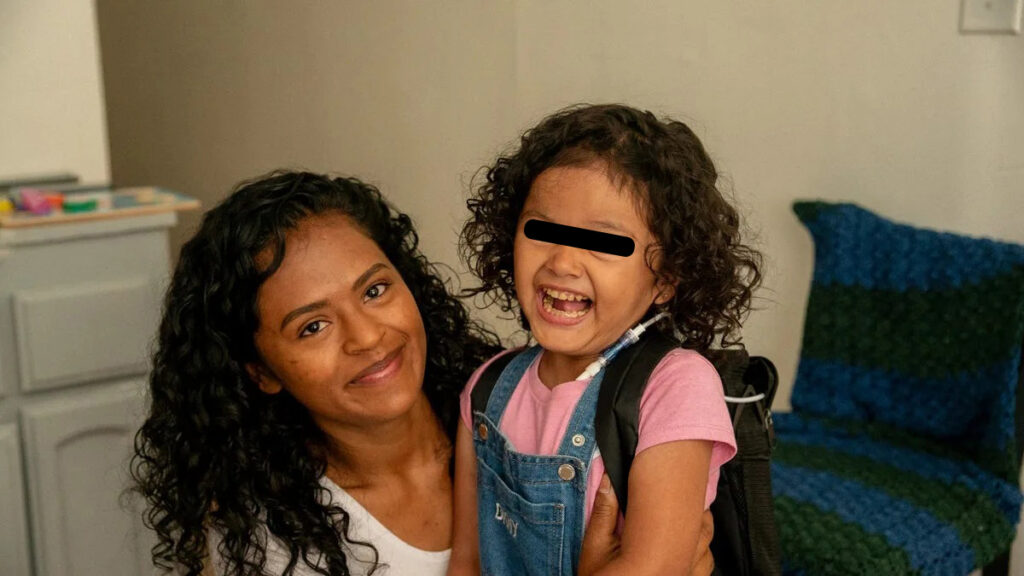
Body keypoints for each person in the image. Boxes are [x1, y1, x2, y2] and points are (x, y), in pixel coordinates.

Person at [130, 170, 716, 576]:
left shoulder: (499, 405)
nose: (366, 337)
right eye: (313, 326)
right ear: (261, 371)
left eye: (375, 290)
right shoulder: (278, 545)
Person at [450, 104, 763, 575]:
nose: (562, 262)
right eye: (542, 231)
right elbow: (467, 562)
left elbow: (654, 568)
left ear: (666, 277)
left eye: (603, 243)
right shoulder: (487, 389)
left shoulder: (675, 387)